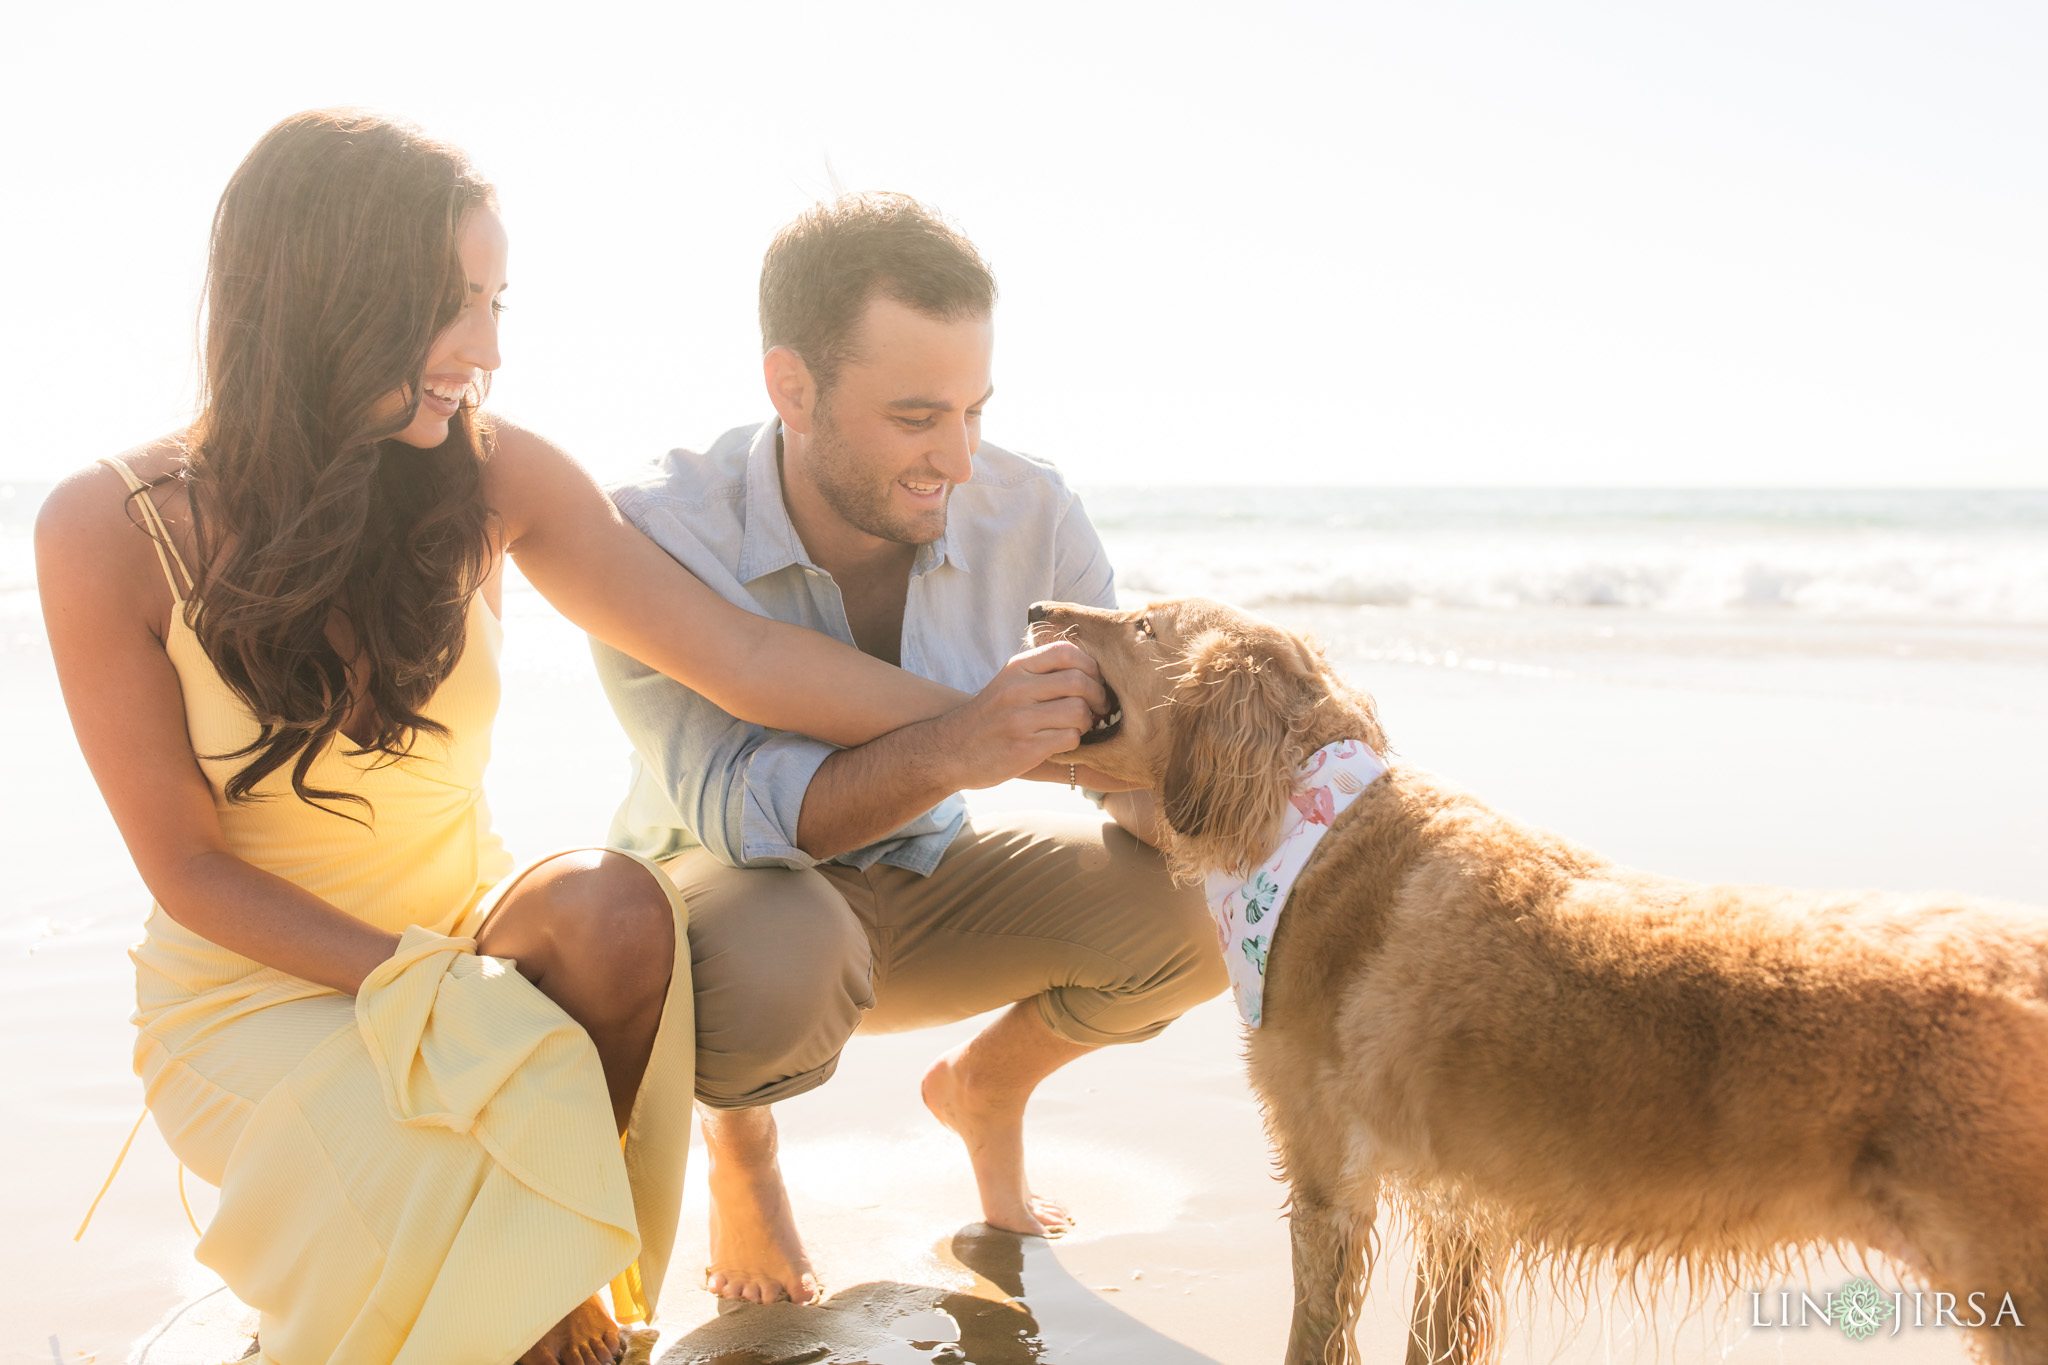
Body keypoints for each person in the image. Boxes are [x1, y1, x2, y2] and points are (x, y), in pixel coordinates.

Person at [35, 113, 1104, 1365]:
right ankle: (534, 1312)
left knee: (613, 908)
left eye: (497, 301)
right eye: (453, 304)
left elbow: (746, 659)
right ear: (325, 291)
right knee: (452, 1196)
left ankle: (546, 1295)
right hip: (266, 990)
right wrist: (436, 991)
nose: (486, 347)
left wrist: (990, 733)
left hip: (474, 958)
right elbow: (189, 873)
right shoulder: (105, 526)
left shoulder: (490, 474)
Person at [593, 192, 1229, 1306]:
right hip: (727, 902)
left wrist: (1224, 832)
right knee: (779, 961)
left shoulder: (1029, 512)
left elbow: (1118, 755)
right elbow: (745, 813)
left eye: (976, 409)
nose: (960, 458)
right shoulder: (656, 530)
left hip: (925, 876)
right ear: (791, 388)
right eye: (916, 416)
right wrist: (954, 745)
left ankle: (986, 1087)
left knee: (1203, 914)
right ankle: (741, 1153)